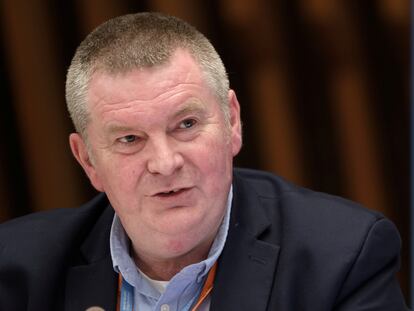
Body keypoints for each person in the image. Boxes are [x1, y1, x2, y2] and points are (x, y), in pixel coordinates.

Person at [0, 12, 409, 311]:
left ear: (232, 121)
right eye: (129, 139)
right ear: (88, 160)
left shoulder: (342, 257)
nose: (164, 162)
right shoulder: (17, 269)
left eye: (186, 124)